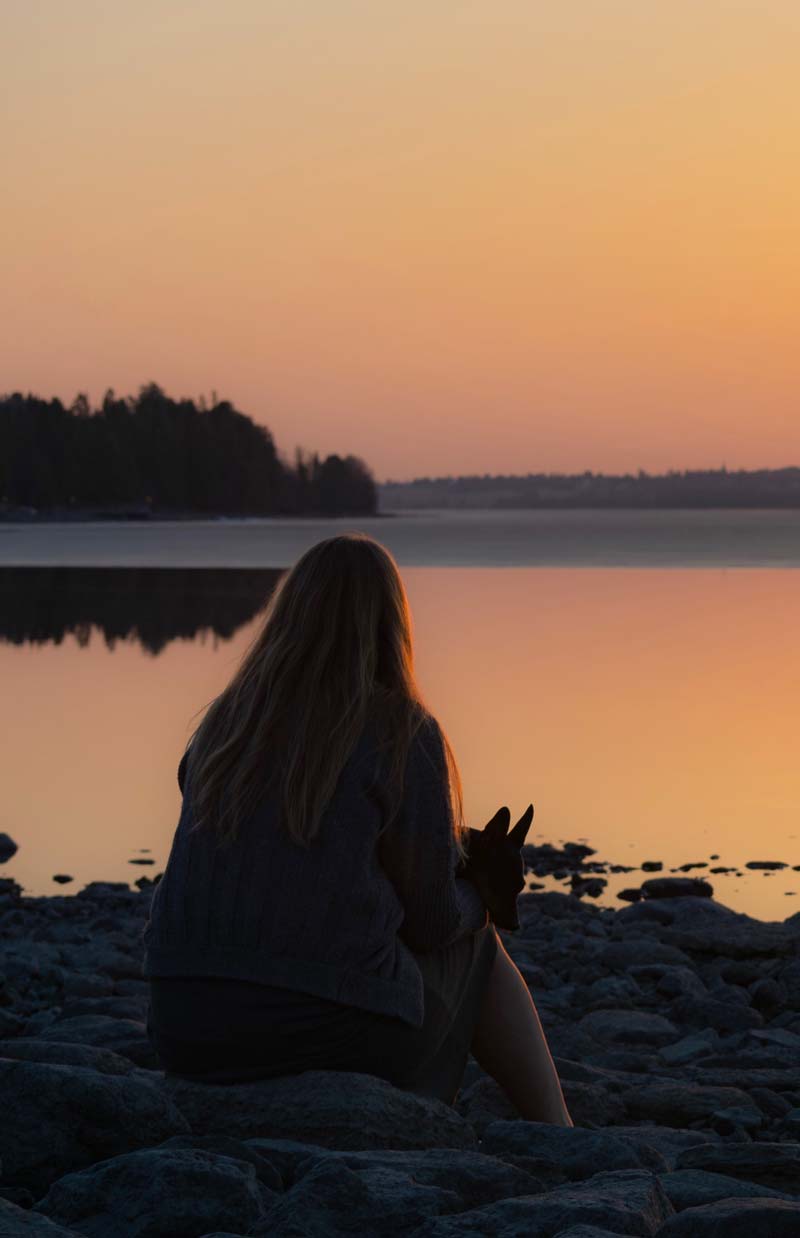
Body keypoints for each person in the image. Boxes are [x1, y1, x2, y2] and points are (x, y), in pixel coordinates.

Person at [143, 533, 572, 1123]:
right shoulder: (399, 731)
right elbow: (433, 924)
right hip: (318, 1032)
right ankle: (560, 1135)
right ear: (392, 625)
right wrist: (483, 895)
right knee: (478, 945)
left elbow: (271, 852)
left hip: (182, 1025)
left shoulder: (224, 726)